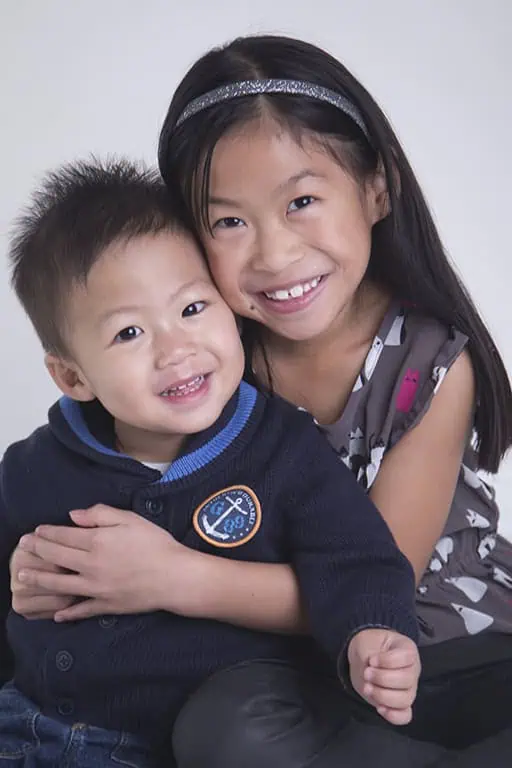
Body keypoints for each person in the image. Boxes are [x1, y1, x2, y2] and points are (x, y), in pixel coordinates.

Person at [9, 33, 512, 765]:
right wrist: (41, 568)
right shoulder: (201, 363)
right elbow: (96, 478)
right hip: (283, 666)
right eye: (229, 222)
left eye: (302, 200)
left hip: (445, 647)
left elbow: (381, 575)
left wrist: (169, 577)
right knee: (224, 726)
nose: (274, 254)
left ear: (377, 187)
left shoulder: (430, 365)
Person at [0, 157, 425, 766]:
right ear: (72, 376)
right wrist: (21, 581)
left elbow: (357, 558)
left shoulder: (281, 449)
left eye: (192, 309)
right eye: (128, 334)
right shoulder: (35, 467)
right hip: (26, 719)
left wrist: (376, 635)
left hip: (179, 744)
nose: (176, 349)